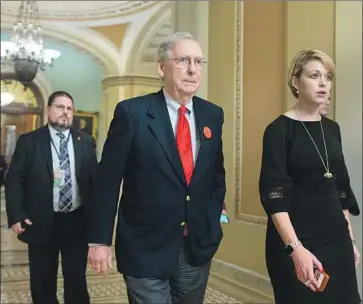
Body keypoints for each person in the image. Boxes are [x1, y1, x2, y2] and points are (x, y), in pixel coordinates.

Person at [87, 32, 226, 304]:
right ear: (162, 67)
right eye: (183, 60)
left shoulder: (213, 114)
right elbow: (108, 180)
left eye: (198, 62)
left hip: (195, 245)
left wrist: (211, 219)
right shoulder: (132, 113)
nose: (192, 69)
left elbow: (216, 175)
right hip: (144, 246)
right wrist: (99, 240)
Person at [259, 49, 361, 304]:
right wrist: (296, 250)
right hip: (296, 242)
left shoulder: (332, 129)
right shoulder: (278, 131)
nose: (323, 83)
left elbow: (341, 190)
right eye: (314, 75)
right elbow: (275, 198)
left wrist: (350, 240)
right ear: (295, 81)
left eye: (328, 76)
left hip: (336, 241)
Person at [5, 91, 98, 304]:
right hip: (40, 219)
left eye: (69, 108)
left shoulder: (85, 141)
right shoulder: (29, 141)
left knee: (75, 277)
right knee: (42, 279)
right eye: (60, 107)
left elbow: (94, 182)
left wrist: (98, 219)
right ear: (48, 110)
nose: (65, 112)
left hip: (76, 221)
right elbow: (14, 180)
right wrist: (16, 214)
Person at [319, 97, 361, 216]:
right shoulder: (285, 128)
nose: (328, 102)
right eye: (323, 97)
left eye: (329, 98)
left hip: (335, 197)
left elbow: (340, 167)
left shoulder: (332, 128)